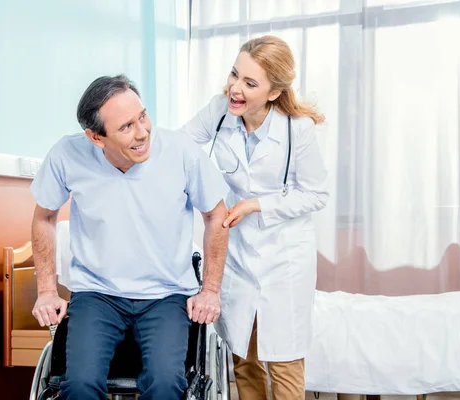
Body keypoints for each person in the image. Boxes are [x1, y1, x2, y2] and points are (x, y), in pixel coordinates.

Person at [29, 74, 229, 400]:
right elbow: (44, 217)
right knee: (78, 386)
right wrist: (47, 290)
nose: (142, 132)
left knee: (166, 386)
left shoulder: (181, 151)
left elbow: (216, 215)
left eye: (143, 116)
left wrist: (210, 290)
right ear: (96, 137)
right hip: (97, 294)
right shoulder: (67, 155)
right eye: (126, 127)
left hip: (166, 295)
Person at [178, 35, 329, 399]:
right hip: (239, 253)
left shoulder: (298, 130)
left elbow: (316, 194)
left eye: (250, 83)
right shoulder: (219, 111)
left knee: (284, 360)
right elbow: (179, 145)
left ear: (273, 92)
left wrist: (255, 204)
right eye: (234, 74)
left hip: (285, 257)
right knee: (242, 357)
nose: (235, 88)